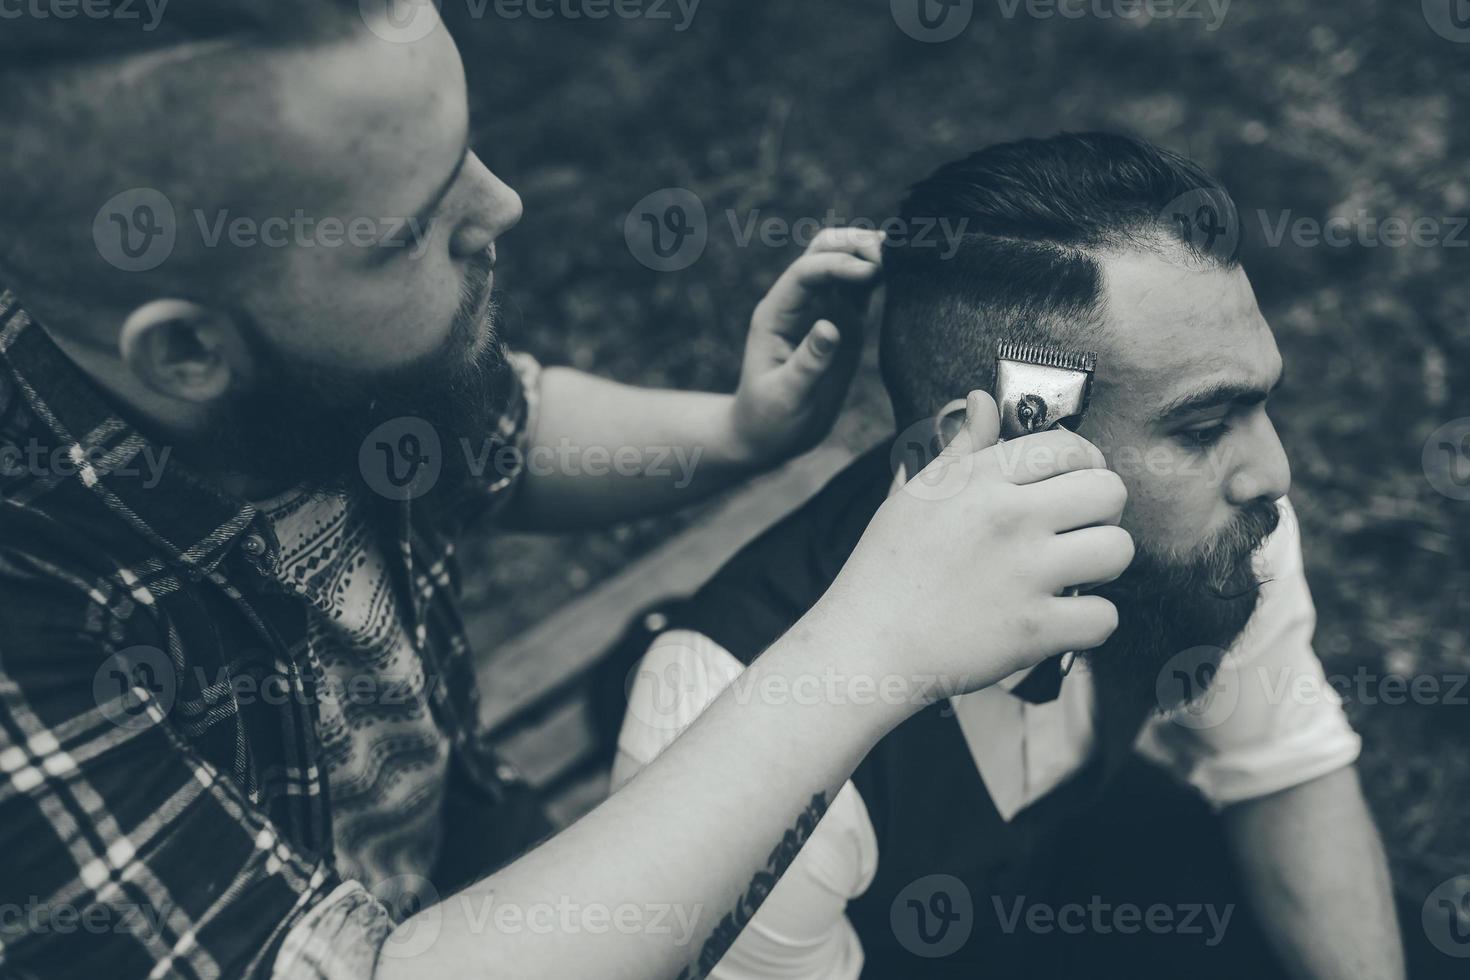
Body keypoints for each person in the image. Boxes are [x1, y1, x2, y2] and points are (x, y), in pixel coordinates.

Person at [0, 9, 1137, 980]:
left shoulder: (312, 351)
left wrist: (740, 432)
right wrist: (871, 644)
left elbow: (502, 431)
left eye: (466, 156)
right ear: (189, 355)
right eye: (410, 232)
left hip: (450, 833)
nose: (501, 210)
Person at [616, 133, 1408, 980]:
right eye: (1203, 428)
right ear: (991, 449)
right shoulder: (730, 754)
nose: (1273, 474)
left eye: (1260, 404)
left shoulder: (1218, 528)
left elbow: (1287, 772)